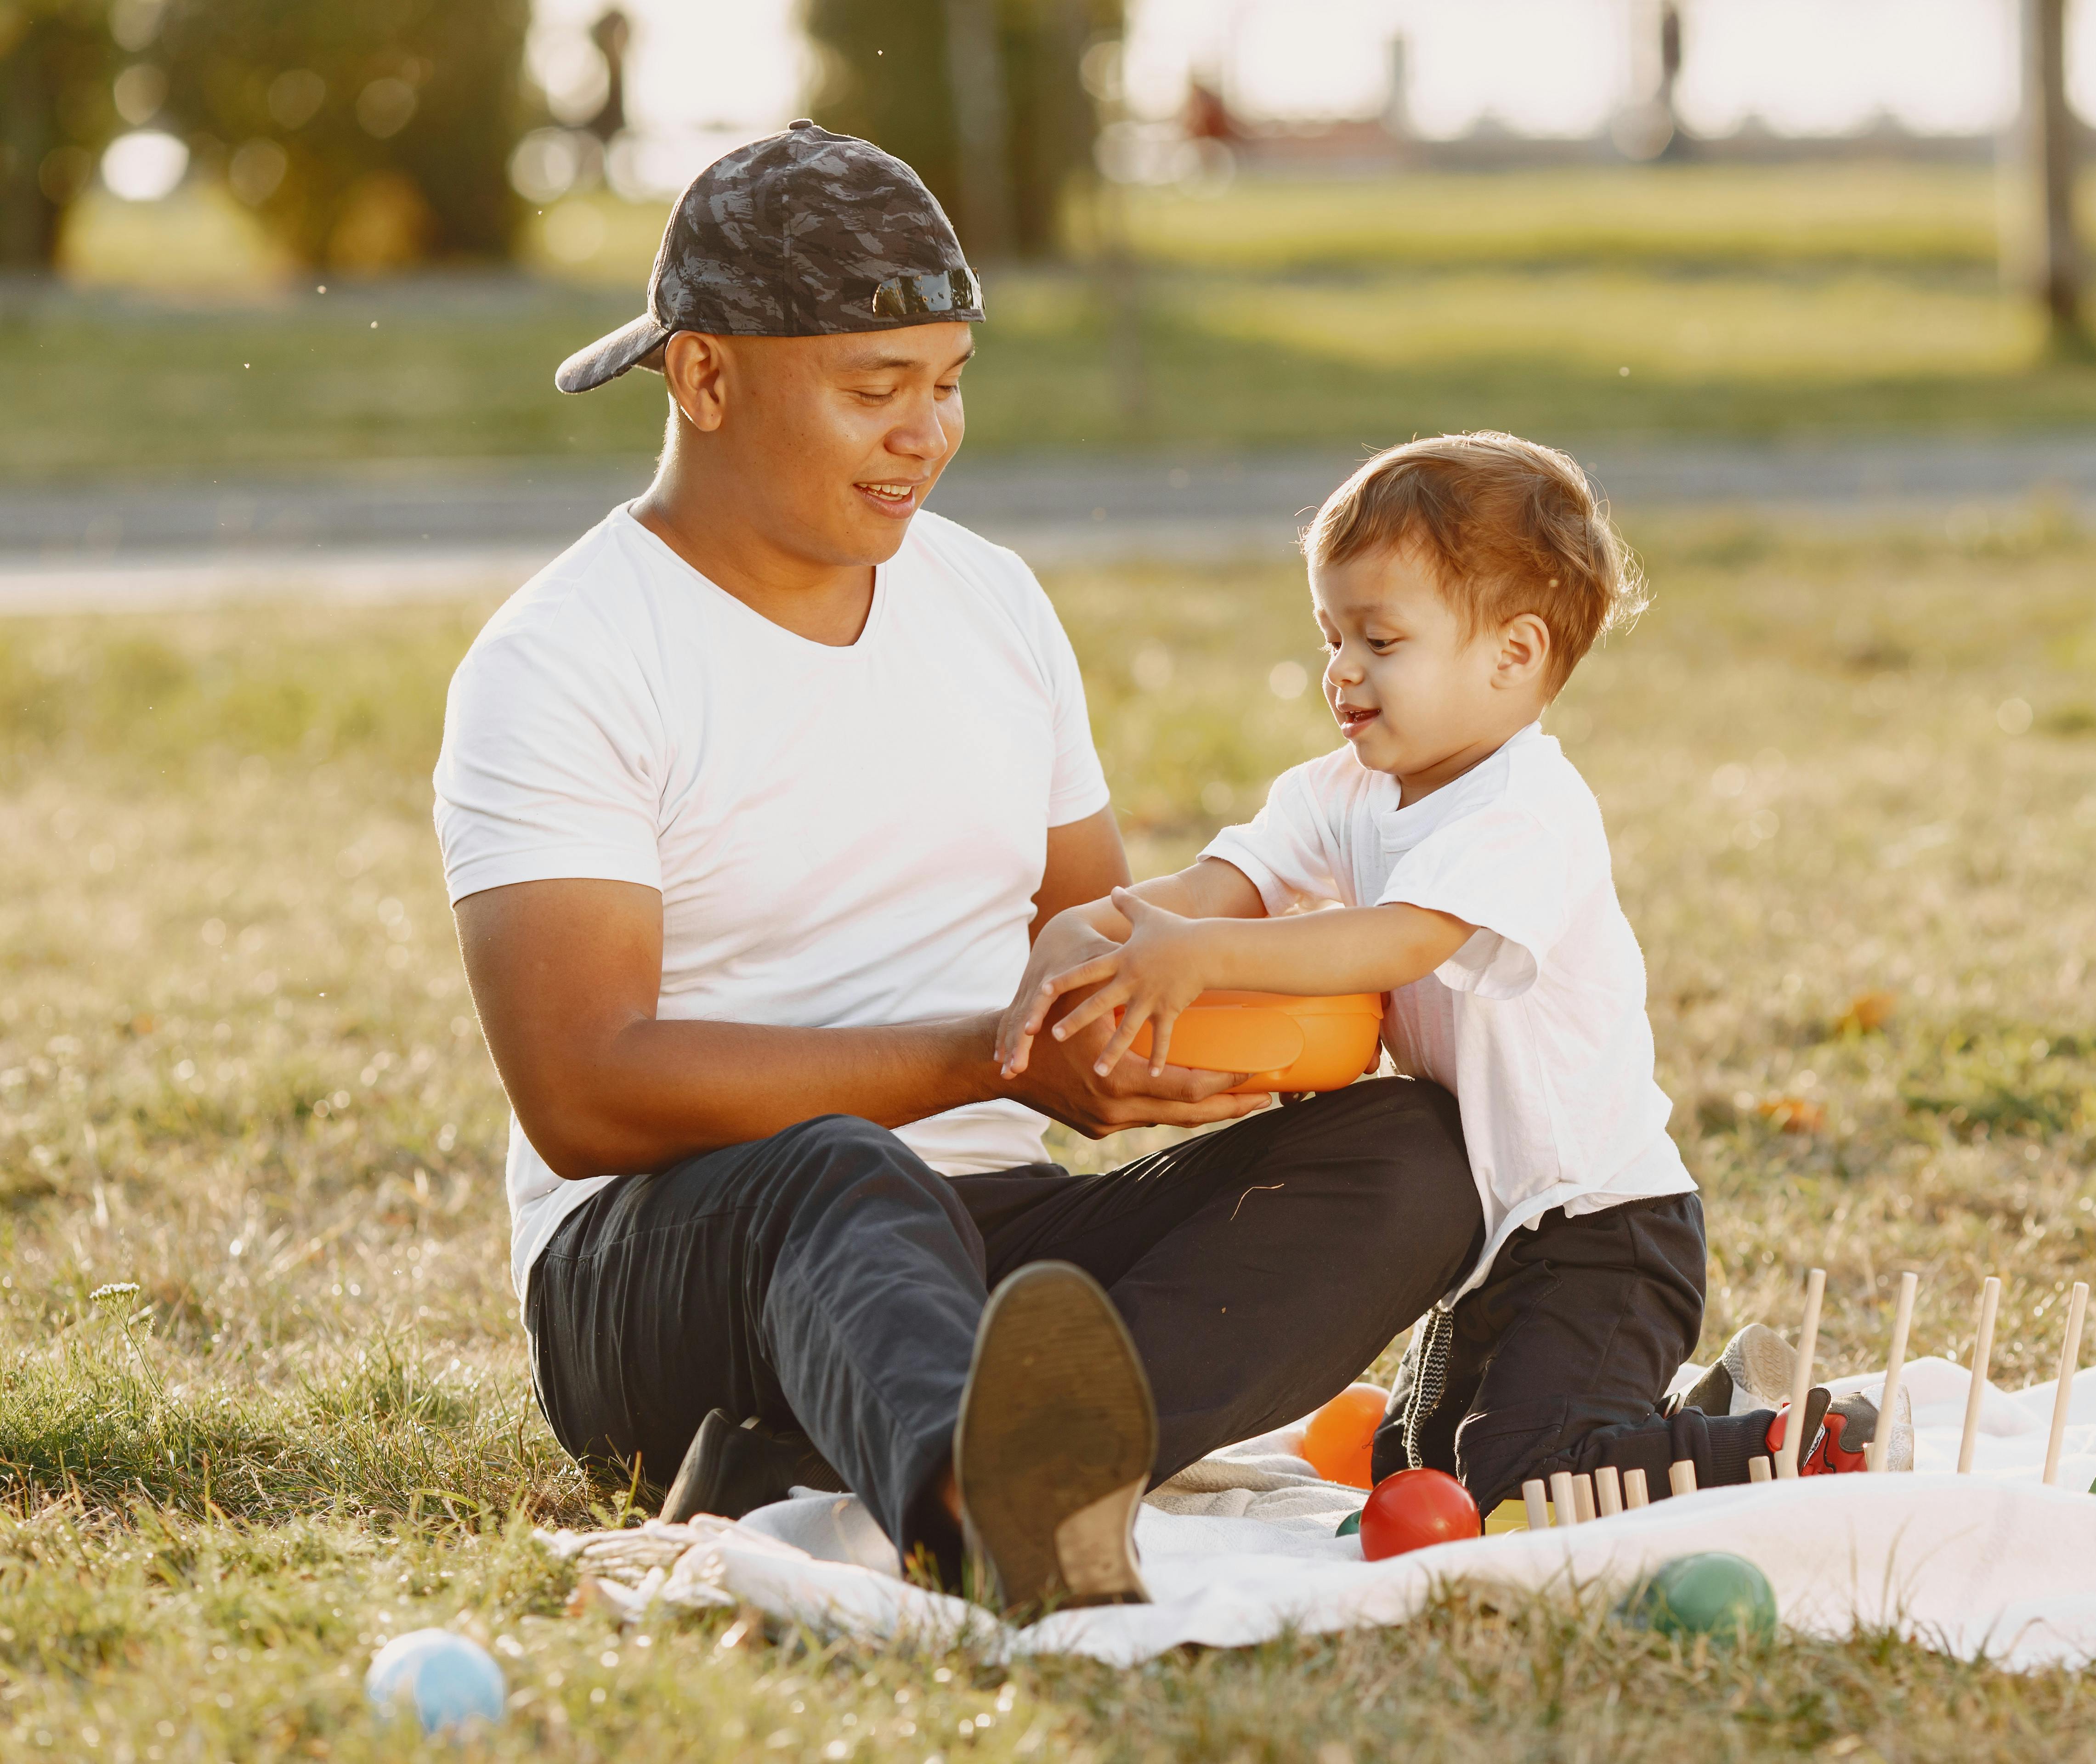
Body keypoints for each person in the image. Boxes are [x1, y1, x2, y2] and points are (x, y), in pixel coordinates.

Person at [430, 122, 1483, 1610]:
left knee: (1414, 1147)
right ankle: (973, 1511)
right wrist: (994, 1061)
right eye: (877, 390)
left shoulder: (990, 601)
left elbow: (1087, 941)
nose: (928, 433)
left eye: (949, 383)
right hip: (677, 1265)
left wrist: (1239, 996)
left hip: (981, 1237)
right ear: (707, 376)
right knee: (841, 1169)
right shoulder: (566, 659)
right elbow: (586, 1089)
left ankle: (1004, 1463)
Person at [999, 432, 1887, 1516]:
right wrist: (1086, 928)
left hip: (1600, 1229)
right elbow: (1224, 883)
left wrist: (1203, 959)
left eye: (1380, 639)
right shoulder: (1345, 788)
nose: (1342, 670)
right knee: (1413, 1471)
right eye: (1331, 635)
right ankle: (1704, 1411)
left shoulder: (1525, 811)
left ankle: (1799, 1446)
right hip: (1487, 1232)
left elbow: (1400, 939)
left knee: (1524, 1475)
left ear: (1511, 657)